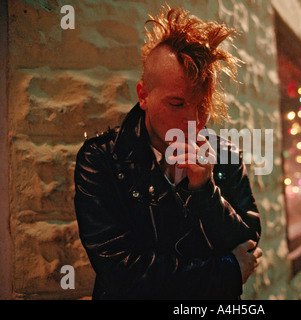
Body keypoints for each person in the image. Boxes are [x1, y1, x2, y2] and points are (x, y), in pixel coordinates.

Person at [74, 6, 263, 300]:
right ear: (143, 96)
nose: (193, 121)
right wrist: (225, 272)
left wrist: (206, 193)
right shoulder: (101, 159)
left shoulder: (224, 154)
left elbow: (248, 246)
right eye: (177, 104)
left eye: (201, 106)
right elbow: (122, 272)